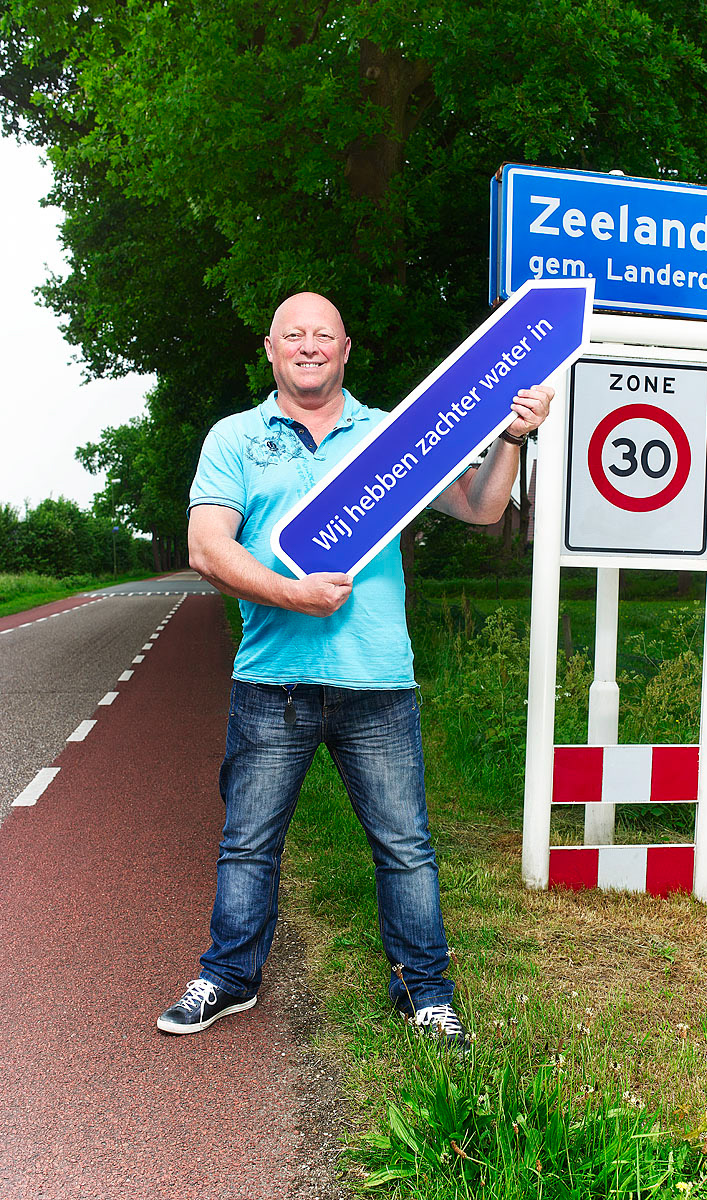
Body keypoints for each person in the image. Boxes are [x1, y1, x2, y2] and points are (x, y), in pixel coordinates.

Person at [157, 292, 553, 1046]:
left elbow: (480, 509)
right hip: (272, 681)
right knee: (248, 844)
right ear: (270, 349)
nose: (309, 346)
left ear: (345, 350)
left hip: (377, 684)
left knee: (405, 850)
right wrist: (293, 595)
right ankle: (230, 977)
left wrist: (510, 438)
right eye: (293, 335)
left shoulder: (393, 436)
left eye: (324, 335)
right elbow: (208, 548)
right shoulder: (235, 438)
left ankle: (425, 994)